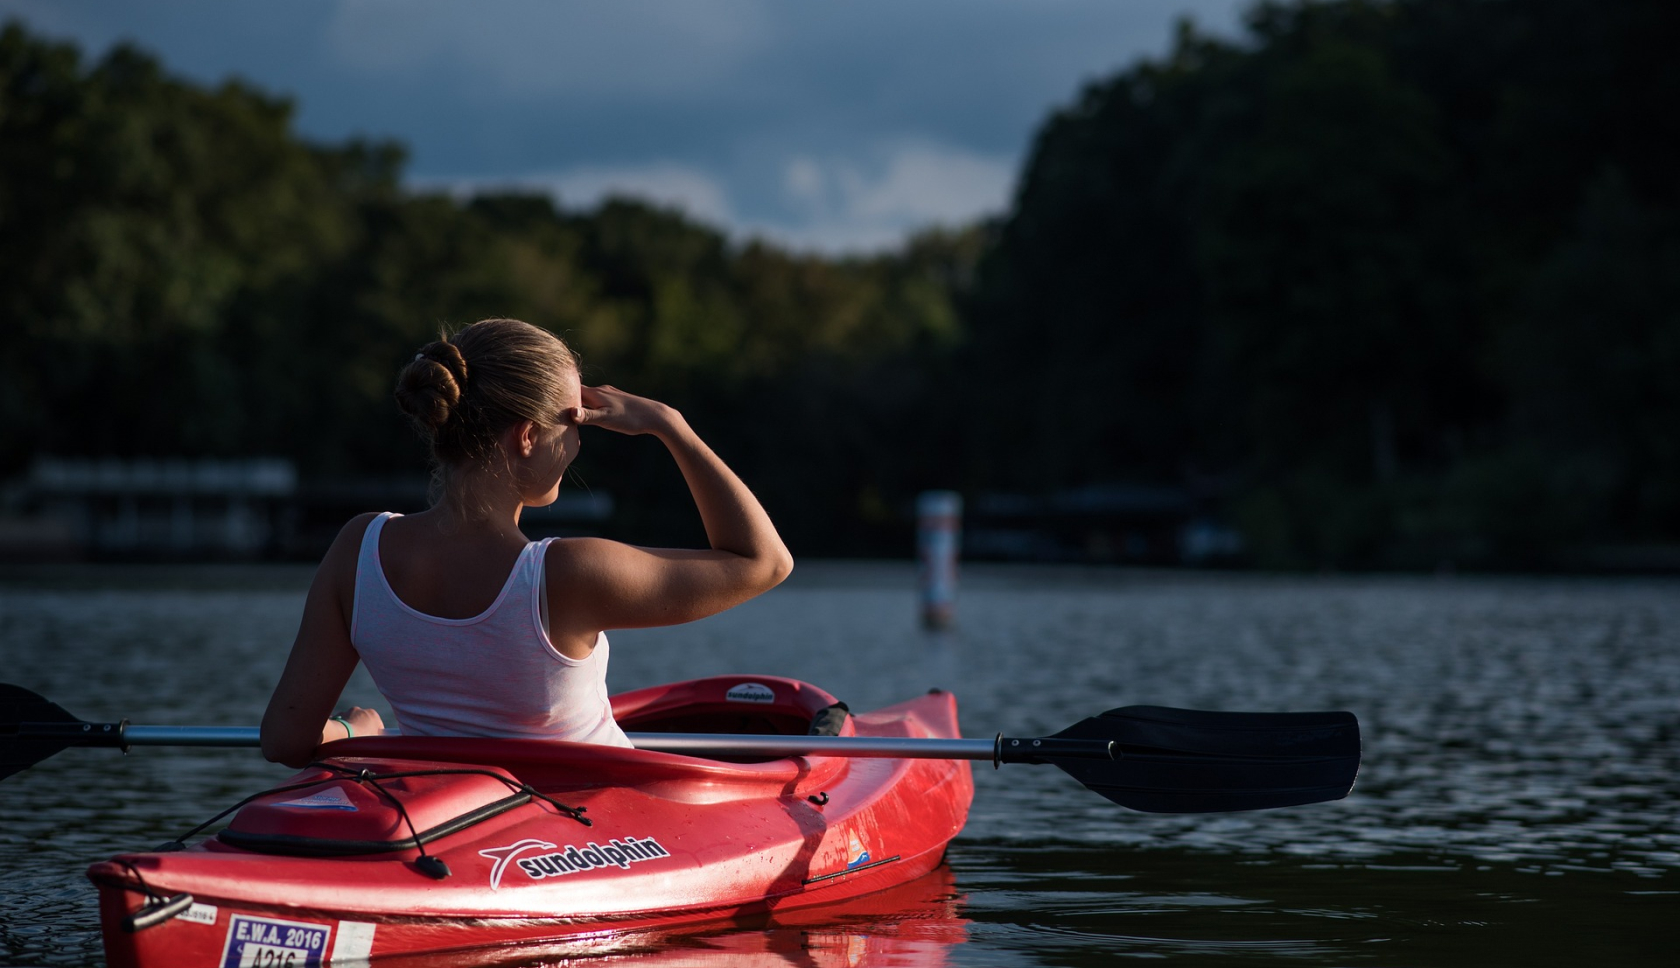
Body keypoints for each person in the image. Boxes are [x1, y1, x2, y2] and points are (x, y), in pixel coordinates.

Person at [260, 318, 793, 767]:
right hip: (590, 839)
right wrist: (669, 426)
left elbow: (286, 739)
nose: (581, 439)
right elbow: (764, 561)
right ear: (529, 436)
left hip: (458, 829)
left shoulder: (359, 548)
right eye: (575, 419)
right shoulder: (568, 573)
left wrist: (357, 736)